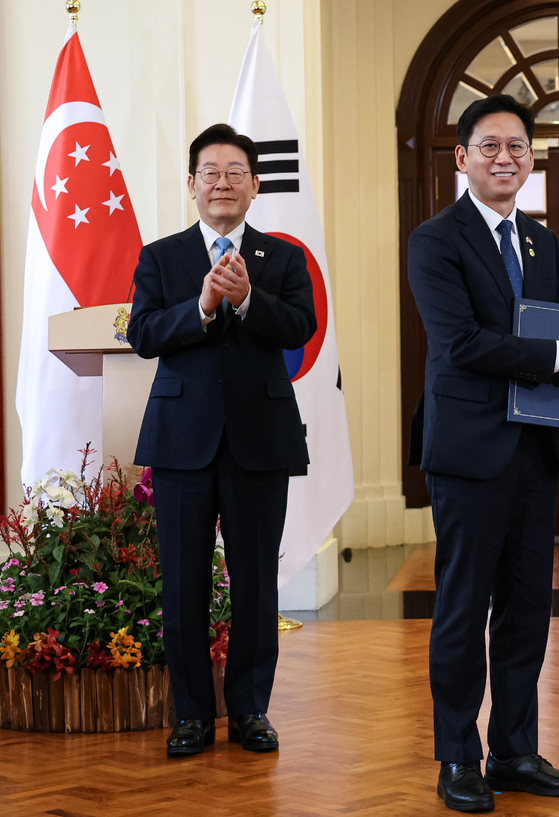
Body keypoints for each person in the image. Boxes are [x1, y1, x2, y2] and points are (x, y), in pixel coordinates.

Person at [407, 94, 559, 814]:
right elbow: (463, 345)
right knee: (464, 606)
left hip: (533, 451)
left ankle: (515, 749)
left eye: (517, 147)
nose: (505, 158)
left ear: (531, 158)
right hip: (467, 450)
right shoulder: (435, 240)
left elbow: (546, 342)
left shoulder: (542, 242)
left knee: (526, 608)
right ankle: (459, 754)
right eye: (489, 146)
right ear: (462, 158)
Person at [128, 124, 317, 757]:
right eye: (210, 171)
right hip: (183, 442)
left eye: (236, 171)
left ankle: (250, 712)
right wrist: (204, 305)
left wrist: (246, 300)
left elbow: (300, 327)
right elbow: (145, 333)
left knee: (257, 585)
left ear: (256, 184)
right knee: (183, 587)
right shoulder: (161, 257)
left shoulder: (284, 257)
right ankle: (191, 716)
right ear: (191, 184)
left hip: (260, 441)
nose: (223, 182)